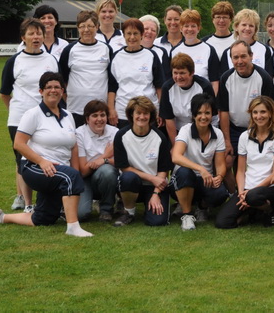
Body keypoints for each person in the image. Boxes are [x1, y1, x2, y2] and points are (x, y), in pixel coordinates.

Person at [0, 72, 93, 237]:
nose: (53, 90)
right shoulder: (32, 114)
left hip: (59, 171)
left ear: (62, 91)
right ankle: (73, 227)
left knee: (44, 218)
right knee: (70, 177)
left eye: (57, 87)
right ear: (41, 91)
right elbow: (19, 143)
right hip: (35, 167)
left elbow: (73, 145)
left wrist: (75, 170)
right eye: (48, 87)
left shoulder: (68, 115)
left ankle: (1, 217)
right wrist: (42, 161)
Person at [0, 18, 59, 213]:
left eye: (39, 33)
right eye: (31, 33)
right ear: (23, 37)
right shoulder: (14, 61)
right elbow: (4, 93)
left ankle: (48, 198)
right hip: (19, 119)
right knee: (23, 159)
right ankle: (27, 203)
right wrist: (15, 111)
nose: (36, 37)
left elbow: (57, 88)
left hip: (45, 118)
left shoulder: (51, 60)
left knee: (45, 156)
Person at [215, 96, 274, 229]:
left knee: (254, 197)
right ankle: (253, 211)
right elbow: (240, 170)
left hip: (269, 188)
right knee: (223, 222)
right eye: (255, 112)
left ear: (270, 113)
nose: (259, 116)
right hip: (247, 189)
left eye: (263, 112)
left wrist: (250, 193)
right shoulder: (244, 136)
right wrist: (241, 193)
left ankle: (270, 209)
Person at [218, 40, 274, 192]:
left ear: (251, 56)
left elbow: (270, 110)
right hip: (234, 129)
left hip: (258, 128)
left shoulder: (263, 77)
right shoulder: (226, 78)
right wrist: (227, 141)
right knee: (226, 162)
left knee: (259, 164)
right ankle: (236, 194)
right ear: (231, 59)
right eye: (235, 57)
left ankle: (259, 194)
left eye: (243, 56)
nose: (240, 61)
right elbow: (223, 111)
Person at [171, 94, 229, 231]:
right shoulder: (185, 130)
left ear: (212, 114)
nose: (203, 117)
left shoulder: (218, 133)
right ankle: (187, 215)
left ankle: (202, 207)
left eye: (207, 113)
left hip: (205, 180)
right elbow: (176, 157)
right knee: (184, 172)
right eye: (199, 113)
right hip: (183, 179)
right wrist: (200, 169)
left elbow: (220, 164)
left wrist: (219, 176)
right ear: (193, 114)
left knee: (221, 194)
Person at [112, 97, 171, 226]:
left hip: (154, 186)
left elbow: (163, 170)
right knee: (128, 177)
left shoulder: (160, 137)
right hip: (133, 183)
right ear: (131, 114)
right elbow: (124, 167)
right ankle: (129, 212)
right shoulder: (121, 136)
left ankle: (150, 205)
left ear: (151, 116)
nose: (142, 117)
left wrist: (156, 193)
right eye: (138, 113)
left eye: (146, 113)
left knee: (157, 221)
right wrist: (152, 178)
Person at [59, 10, 113, 126]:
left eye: (90, 26)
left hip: (100, 111)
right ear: (78, 28)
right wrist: (68, 99)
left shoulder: (106, 49)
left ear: (97, 27)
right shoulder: (69, 50)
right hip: (75, 109)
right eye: (82, 26)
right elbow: (62, 79)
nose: (86, 30)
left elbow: (112, 80)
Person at [107, 18, 164, 128]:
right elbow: (112, 87)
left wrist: (161, 110)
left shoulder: (151, 56)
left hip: (147, 113)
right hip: (123, 113)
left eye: (135, 33)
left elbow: (159, 86)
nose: (132, 37)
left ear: (141, 35)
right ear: (124, 35)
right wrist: (111, 109)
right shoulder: (116, 57)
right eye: (128, 33)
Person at [76, 100, 119, 222]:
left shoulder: (115, 132)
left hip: (107, 174)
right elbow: (83, 171)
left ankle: (106, 209)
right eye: (94, 115)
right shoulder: (79, 134)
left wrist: (104, 161)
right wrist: (105, 156)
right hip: (85, 179)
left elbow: (122, 162)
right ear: (87, 119)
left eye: (102, 115)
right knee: (81, 214)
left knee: (107, 171)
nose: (99, 119)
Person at [160, 53, 215, 145]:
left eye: (182, 73)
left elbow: (212, 116)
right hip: (178, 132)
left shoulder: (204, 86)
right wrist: (175, 145)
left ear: (192, 72)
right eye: (175, 73)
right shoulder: (167, 88)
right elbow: (169, 119)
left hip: (201, 130)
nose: (178, 77)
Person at [170, 9, 220, 94]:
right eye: (186, 26)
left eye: (193, 26)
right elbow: (171, 81)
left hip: (203, 98)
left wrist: (211, 100)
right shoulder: (174, 51)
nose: (190, 29)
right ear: (181, 28)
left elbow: (214, 82)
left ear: (198, 28)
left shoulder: (209, 50)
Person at [218, 9, 271, 74]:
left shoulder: (265, 50)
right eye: (244, 25)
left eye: (251, 26)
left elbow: (268, 77)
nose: (247, 28)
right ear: (236, 27)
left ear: (255, 29)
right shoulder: (227, 53)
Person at [140, 14, 171, 80]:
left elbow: (166, 77)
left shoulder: (162, 52)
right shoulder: (129, 51)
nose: (149, 32)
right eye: (146, 29)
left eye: (153, 30)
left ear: (156, 35)